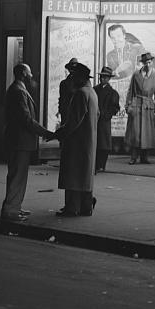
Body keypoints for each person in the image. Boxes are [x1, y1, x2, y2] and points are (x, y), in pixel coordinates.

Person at [1, 63, 55, 221]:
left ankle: (14, 206)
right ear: (24, 74)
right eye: (30, 73)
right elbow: (26, 119)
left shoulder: (18, 89)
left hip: (19, 140)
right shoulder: (18, 91)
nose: (32, 76)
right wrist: (45, 133)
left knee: (18, 176)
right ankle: (11, 210)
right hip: (19, 141)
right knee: (17, 176)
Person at [55, 62, 99, 217]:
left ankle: (71, 207)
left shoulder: (80, 93)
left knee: (73, 174)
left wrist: (59, 133)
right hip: (89, 140)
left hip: (77, 141)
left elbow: (74, 120)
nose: (71, 78)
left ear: (79, 77)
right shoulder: (92, 92)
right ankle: (86, 207)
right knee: (85, 176)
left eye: (73, 75)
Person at [125, 52, 155, 164]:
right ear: (142, 63)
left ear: (152, 62)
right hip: (137, 104)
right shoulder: (136, 74)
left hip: (148, 105)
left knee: (147, 133)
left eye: (149, 62)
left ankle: (145, 156)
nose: (148, 64)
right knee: (135, 132)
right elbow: (131, 91)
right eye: (145, 62)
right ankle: (133, 156)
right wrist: (128, 105)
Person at [94, 65, 120, 173]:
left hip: (104, 121)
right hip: (95, 120)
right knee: (95, 142)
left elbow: (115, 107)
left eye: (105, 77)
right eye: (102, 77)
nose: (103, 79)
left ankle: (101, 165)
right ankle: (95, 164)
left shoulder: (112, 93)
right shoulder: (94, 90)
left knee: (104, 143)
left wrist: (106, 114)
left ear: (109, 78)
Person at [57, 57, 80, 126]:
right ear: (69, 69)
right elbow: (61, 99)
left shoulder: (81, 83)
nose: (73, 70)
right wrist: (60, 111)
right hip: (66, 113)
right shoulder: (63, 83)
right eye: (71, 68)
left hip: (77, 114)